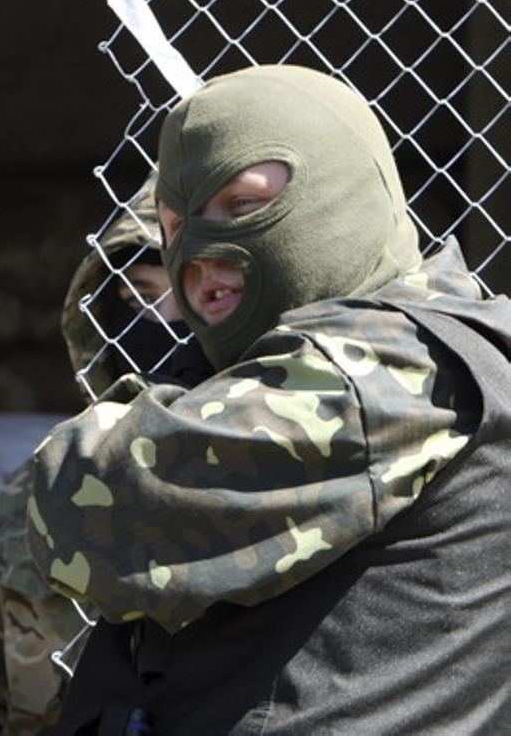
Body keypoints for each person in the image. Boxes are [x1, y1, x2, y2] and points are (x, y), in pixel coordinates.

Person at [28, 64, 511, 734]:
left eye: (242, 206)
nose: (201, 251)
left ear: (338, 190)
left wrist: (151, 407)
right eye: (178, 223)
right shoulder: (451, 340)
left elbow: (76, 507)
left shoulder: (386, 370)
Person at [0, 190, 210, 735]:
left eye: (197, 297)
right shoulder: (52, 482)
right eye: (140, 298)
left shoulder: (294, 482)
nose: (165, 324)